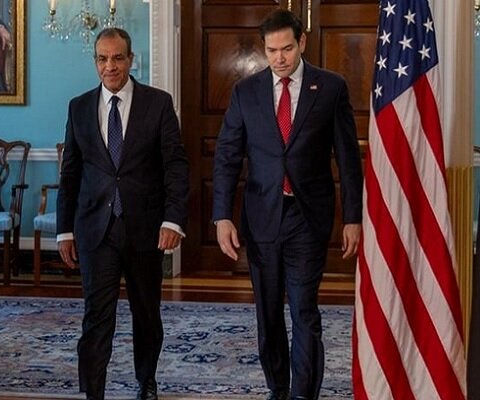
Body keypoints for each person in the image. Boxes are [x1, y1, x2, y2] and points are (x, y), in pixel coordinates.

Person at [212, 9, 363, 400]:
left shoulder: (330, 88)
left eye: (287, 49)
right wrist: (222, 216)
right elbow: (227, 156)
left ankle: (302, 394)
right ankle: (278, 389)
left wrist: (353, 218)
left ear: (302, 42)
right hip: (262, 217)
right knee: (268, 314)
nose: (279, 58)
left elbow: (348, 158)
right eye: (271, 50)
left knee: (304, 310)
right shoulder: (246, 92)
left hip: (307, 217)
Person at [56, 28, 189, 400]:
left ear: (131, 59)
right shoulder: (79, 107)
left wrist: (173, 219)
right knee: (96, 317)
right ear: (95, 61)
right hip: (95, 230)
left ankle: (147, 382)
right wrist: (64, 230)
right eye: (102, 58)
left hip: (146, 229)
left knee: (146, 314)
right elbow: (70, 173)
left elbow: (176, 166)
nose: (110, 66)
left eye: (117, 58)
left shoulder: (158, 103)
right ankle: (92, 391)